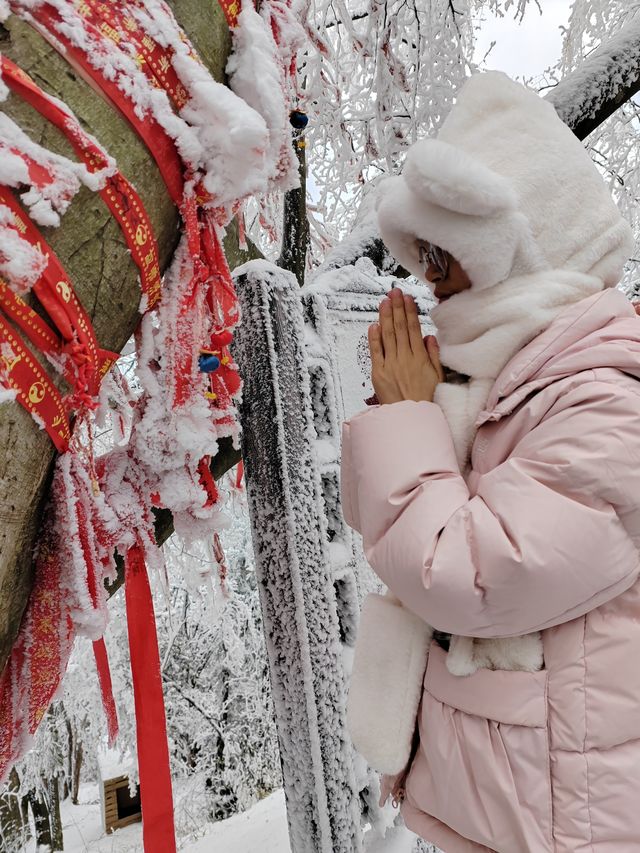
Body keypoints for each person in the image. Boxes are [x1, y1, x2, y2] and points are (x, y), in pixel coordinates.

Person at [340, 71, 640, 852]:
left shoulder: (606, 401)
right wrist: (425, 415)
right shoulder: (515, 387)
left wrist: (411, 420)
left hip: (573, 822)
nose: (433, 288)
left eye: (447, 260)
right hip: (518, 804)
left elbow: (473, 574)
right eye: (427, 262)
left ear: (524, 246)